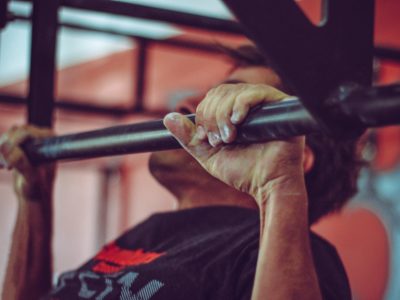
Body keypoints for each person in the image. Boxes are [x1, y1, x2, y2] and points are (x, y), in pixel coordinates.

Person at [0, 45, 363, 300]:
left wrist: (279, 186)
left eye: (229, 100)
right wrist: (35, 199)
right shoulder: (150, 234)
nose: (188, 105)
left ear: (297, 156)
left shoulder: (302, 257)